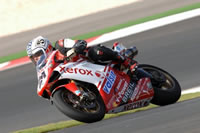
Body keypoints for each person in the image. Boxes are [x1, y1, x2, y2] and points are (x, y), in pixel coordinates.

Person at [26, 36, 138, 73]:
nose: (36, 58)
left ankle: (127, 61)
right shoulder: (46, 70)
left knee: (95, 52)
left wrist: (75, 48)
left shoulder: (60, 45)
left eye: (38, 53)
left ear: (47, 48)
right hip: (83, 74)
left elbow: (80, 42)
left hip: (90, 61)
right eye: (33, 58)